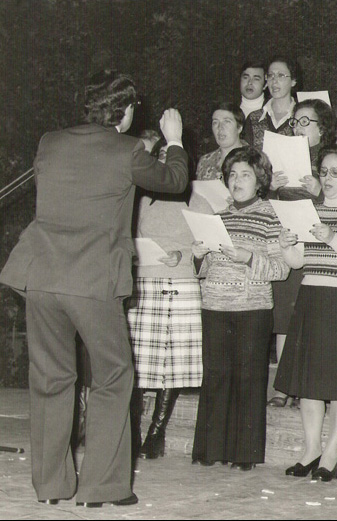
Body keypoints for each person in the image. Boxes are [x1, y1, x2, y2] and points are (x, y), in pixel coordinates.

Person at [0, 70, 188, 507]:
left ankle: (50, 488)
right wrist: (174, 139)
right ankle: (100, 488)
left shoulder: (50, 142)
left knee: (50, 379)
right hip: (92, 280)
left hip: (42, 278)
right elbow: (175, 181)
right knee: (113, 376)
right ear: (123, 113)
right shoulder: (127, 150)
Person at [274, 144, 337, 482]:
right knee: (308, 384)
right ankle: (311, 450)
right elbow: (297, 263)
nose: (329, 178)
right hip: (312, 296)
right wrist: (286, 244)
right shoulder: (310, 211)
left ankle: (331, 455)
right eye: (324, 172)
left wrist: (331, 237)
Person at [191, 147, 290, 471]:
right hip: (215, 305)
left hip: (252, 307)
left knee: (249, 378)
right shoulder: (218, 216)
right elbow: (204, 269)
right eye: (232, 174)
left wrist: (248, 258)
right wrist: (197, 255)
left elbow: (281, 270)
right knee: (216, 376)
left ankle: (244, 454)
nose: (237, 180)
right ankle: (211, 449)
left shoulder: (273, 216)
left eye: (245, 174)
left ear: (260, 179)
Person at [126, 138, 212, 460]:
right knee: (138, 359)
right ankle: (132, 432)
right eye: (159, 156)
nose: (164, 162)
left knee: (172, 363)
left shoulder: (197, 202)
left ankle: (156, 432)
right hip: (144, 283)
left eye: (169, 156)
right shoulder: (139, 197)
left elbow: (210, 246)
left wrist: (184, 254)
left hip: (182, 285)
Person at [267, 98, 337, 408]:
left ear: (323, 128)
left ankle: (307, 387)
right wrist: (269, 186)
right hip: (287, 238)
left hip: (318, 242)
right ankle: (283, 388)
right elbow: (267, 202)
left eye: (305, 121)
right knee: (284, 315)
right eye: (296, 121)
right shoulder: (279, 157)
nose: (297, 126)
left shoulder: (332, 159)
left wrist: (320, 191)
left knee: (309, 316)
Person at [244, 55, 299, 151]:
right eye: (270, 76)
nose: (274, 81)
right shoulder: (253, 118)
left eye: (281, 75)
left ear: (293, 81)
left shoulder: (302, 118)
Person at [196, 101, 249, 182]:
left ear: (239, 128)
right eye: (215, 122)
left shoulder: (254, 159)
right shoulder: (204, 161)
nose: (220, 127)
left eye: (227, 121)